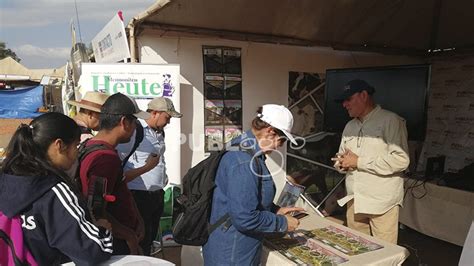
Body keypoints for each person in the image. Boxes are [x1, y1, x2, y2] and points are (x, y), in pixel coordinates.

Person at [0, 112, 113, 265]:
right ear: (59, 145)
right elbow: (91, 251)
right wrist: (103, 230)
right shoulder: (55, 192)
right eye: (76, 145)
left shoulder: (5, 178)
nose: (77, 153)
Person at [203, 104, 304, 265]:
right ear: (270, 131)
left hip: (231, 245)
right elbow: (245, 218)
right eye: (282, 139)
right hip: (232, 253)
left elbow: (247, 198)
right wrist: (283, 223)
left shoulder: (246, 148)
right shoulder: (244, 161)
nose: (280, 145)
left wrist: (275, 210)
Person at [332, 79, 410, 244]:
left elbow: (401, 160)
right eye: (343, 101)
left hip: (382, 203)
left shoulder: (391, 120)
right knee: (357, 251)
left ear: (364, 95)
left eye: (348, 99)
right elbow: (342, 157)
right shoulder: (349, 126)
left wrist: (358, 162)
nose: (345, 104)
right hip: (355, 200)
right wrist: (342, 165)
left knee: (385, 255)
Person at [78, 92, 149, 255]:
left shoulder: (91, 146)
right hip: (115, 244)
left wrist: (137, 218)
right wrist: (128, 235)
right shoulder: (105, 159)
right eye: (135, 122)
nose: (134, 130)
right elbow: (96, 209)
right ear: (124, 122)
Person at [117, 97, 183, 256]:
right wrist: (147, 168)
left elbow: (157, 157)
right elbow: (120, 162)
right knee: (140, 240)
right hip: (138, 195)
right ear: (154, 113)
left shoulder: (159, 132)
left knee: (150, 238)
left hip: (156, 194)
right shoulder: (136, 131)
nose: (169, 122)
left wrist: (163, 175)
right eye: (167, 117)